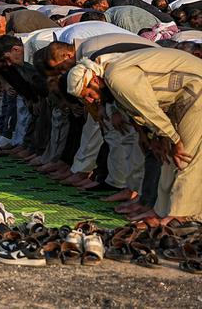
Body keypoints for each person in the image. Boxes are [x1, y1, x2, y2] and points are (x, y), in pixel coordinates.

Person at [67, 48, 202, 224]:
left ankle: (182, 214)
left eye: (89, 95)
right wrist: (156, 138)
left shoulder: (117, 77)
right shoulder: (110, 76)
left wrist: (174, 139)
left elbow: (149, 110)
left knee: (185, 156)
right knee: (168, 157)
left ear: (94, 80)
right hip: (180, 96)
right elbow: (139, 110)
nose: (91, 101)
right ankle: (161, 211)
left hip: (196, 87)